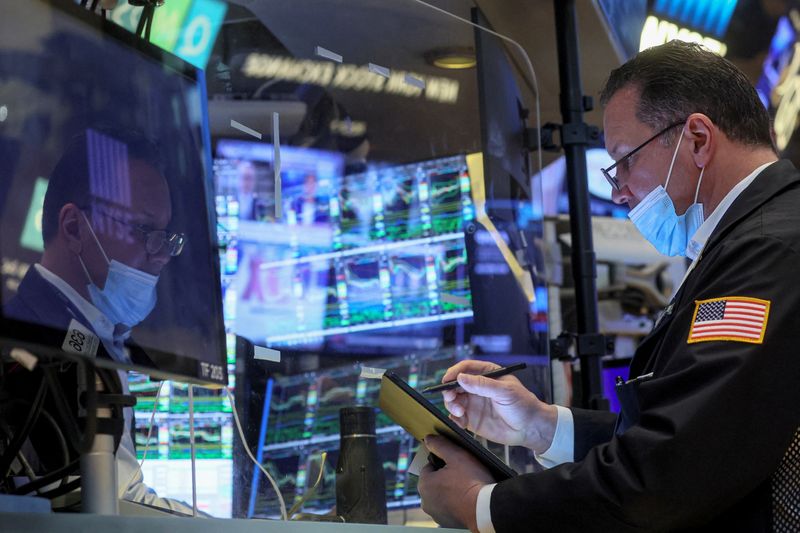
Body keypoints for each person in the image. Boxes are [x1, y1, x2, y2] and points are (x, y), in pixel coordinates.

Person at [417, 40, 800, 532]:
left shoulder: (769, 252)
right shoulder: (748, 241)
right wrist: (539, 425)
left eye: (624, 160)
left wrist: (482, 506)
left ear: (699, 139)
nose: (618, 190)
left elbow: (672, 472)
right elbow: (689, 424)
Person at [4, 127, 197, 513]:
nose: (159, 255)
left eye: (165, 236)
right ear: (74, 227)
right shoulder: (29, 342)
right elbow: (116, 502)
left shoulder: (102, 335)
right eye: (143, 230)